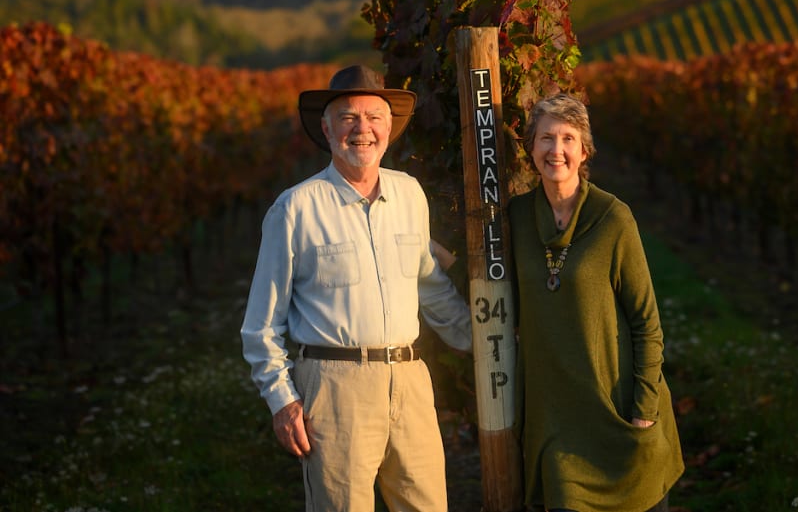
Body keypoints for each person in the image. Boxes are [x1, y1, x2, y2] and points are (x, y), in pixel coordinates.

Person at [240, 65, 472, 512]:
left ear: (390, 128)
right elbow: (261, 325)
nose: (361, 129)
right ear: (326, 129)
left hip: (410, 383)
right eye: (348, 117)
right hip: (333, 390)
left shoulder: (410, 195)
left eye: (373, 117)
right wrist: (282, 401)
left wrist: (485, 344)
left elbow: (432, 288)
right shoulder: (295, 209)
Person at [508, 93, 685, 512]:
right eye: (546, 138)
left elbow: (647, 323)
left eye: (568, 138)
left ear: (584, 150)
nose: (556, 150)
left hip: (620, 415)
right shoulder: (515, 218)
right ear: (531, 147)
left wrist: (642, 411)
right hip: (558, 427)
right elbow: (478, 281)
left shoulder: (613, 218)